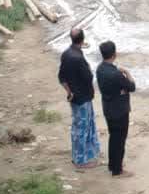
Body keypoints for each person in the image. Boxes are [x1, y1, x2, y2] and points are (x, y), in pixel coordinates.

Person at [58, 27, 101, 169]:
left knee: (79, 127)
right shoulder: (78, 58)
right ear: (82, 40)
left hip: (74, 96)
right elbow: (88, 77)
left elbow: (62, 78)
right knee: (83, 127)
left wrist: (69, 92)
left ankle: (83, 154)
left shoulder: (66, 54)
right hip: (83, 97)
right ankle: (81, 160)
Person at [95, 40, 136, 178]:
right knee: (120, 140)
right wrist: (127, 73)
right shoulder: (116, 74)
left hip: (108, 108)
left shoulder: (100, 69)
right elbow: (132, 86)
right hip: (119, 110)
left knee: (113, 138)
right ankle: (117, 170)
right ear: (114, 54)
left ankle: (113, 164)